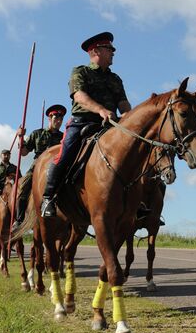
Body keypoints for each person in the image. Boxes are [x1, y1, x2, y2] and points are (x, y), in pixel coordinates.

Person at [41, 31, 131, 217]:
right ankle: (48, 197)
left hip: (109, 126)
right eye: (109, 49)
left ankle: (135, 202)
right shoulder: (80, 71)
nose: (113, 52)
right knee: (65, 154)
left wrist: (130, 119)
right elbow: (79, 96)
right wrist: (100, 110)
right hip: (82, 123)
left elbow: (123, 104)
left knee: (133, 154)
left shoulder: (115, 79)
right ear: (96, 51)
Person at [12, 104, 66, 229]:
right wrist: (20, 137)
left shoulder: (64, 137)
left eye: (61, 119)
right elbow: (24, 152)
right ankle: (19, 220)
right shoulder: (37, 134)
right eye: (56, 118)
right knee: (23, 188)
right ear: (49, 118)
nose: (58, 121)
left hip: (57, 164)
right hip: (38, 165)